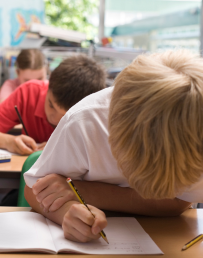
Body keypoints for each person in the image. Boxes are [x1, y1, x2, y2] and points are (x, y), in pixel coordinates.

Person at [24, 50, 203, 243]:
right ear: (113, 133)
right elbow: (35, 191)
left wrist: (86, 191)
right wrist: (67, 213)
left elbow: (178, 203)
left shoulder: (196, 128)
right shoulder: (87, 122)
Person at [0, 55, 107, 155]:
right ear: (48, 84)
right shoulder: (29, 92)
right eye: (51, 105)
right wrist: (9, 142)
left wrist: (63, 148)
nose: (54, 118)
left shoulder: (99, 110)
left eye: (66, 116)